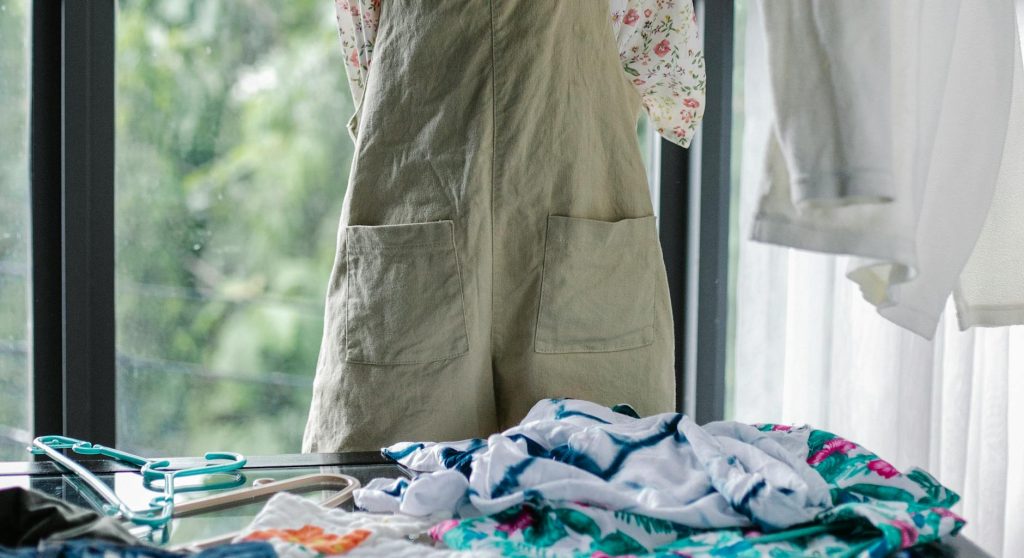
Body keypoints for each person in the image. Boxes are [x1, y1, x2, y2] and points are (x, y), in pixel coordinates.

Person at [303, 0, 706, 452]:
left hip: (417, 227)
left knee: (393, 494)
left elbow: (363, 49)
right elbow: (675, 87)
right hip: (583, 231)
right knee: (594, 484)